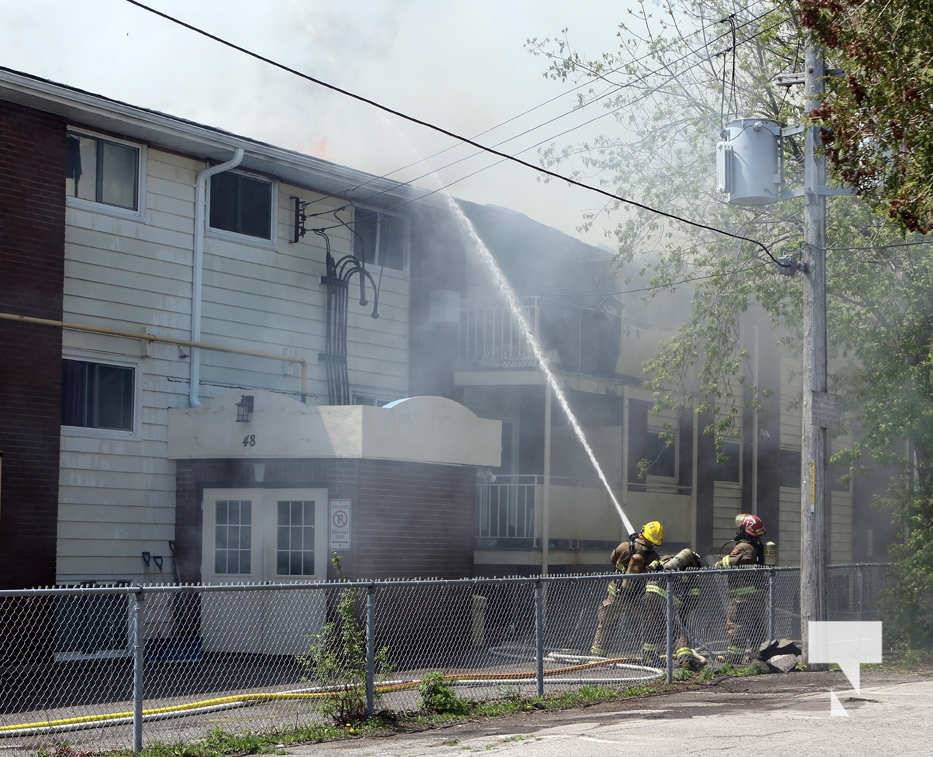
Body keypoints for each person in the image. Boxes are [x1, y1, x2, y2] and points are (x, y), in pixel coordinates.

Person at [590, 521, 663, 657]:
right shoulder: (653, 556)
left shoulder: (625, 547)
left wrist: (631, 546)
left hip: (616, 594)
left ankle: (597, 656)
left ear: (642, 532)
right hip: (637, 597)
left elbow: (613, 559)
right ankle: (649, 655)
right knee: (648, 623)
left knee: (606, 624)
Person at [715, 513, 767, 664]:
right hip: (757, 598)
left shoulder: (743, 547)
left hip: (740, 599)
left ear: (745, 530)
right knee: (756, 627)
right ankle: (757, 657)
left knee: (737, 627)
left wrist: (719, 562)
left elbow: (724, 565)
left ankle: (734, 659)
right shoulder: (758, 547)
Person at [640, 547, 705, 668]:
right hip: (665, 598)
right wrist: (683, 613)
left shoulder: (666, 559)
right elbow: (693, 597)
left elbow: (652, 567)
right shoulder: (690, 570)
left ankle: (649, 657)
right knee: (679, 632)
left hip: (649, 593)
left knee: (653, 627)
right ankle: (685, 660)